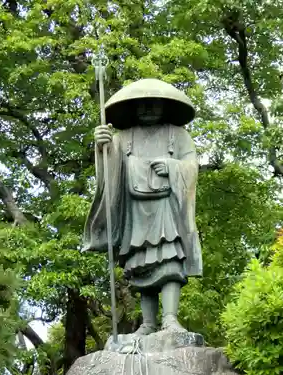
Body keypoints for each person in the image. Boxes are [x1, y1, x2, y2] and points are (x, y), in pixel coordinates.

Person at [83, 78, 202, 335]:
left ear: (164, 106)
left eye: (153, 104)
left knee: (169, 261)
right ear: (133, 108)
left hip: (165, 208)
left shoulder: (178, 135)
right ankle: (148, 323)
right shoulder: (123, 137)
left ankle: (170, 318)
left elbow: (192, 166)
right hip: (135, 214)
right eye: (142, 105)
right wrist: (102, 145)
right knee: (141, 265)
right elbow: (109, 168)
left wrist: (171, 167)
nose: (148, 109)